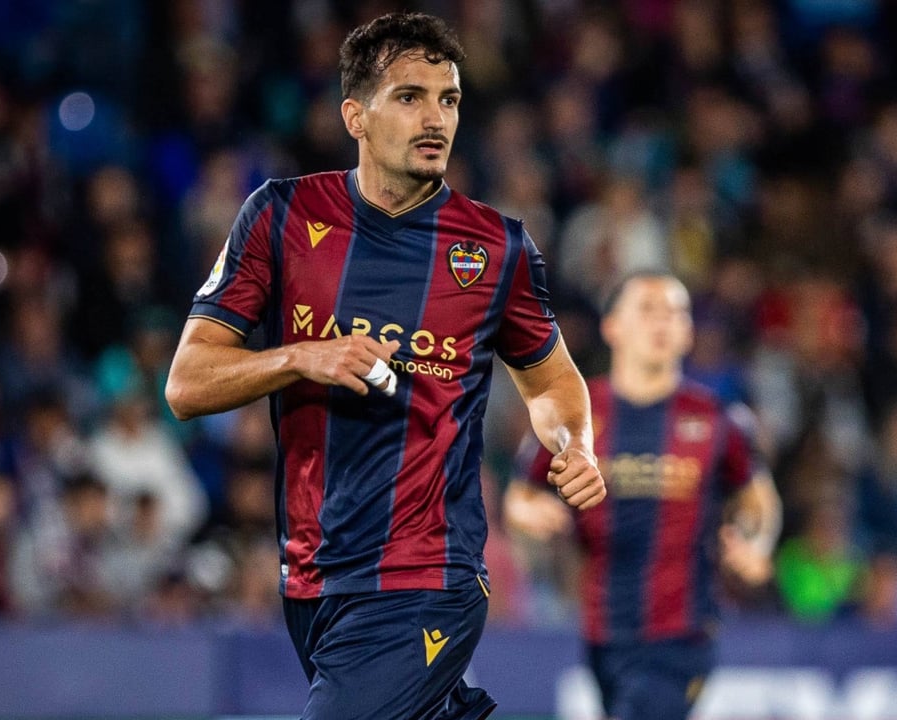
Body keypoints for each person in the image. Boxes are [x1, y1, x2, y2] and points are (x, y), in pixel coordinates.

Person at [164, 13, 606, 720]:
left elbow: (552, 381)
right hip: (312, 576)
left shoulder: (497, 249)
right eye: (409, 97)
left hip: (428, 573)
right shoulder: (280, 216)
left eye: (448, 99)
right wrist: (301, 355)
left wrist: (573, 443)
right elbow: (187, 383)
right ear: (356, 116)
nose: (435, 119)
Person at [505, 271, 778, 720]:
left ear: (688, 332)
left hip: (683, 633)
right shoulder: (574, 415)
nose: (662, 322)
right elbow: (520, 495)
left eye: (675, 313)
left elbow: (758, 501)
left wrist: (755, 544)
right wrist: (531, 511)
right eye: (648, 309)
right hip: (602, 633)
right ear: (612, 326)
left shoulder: (719, 420)